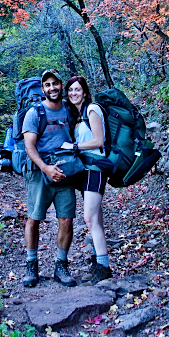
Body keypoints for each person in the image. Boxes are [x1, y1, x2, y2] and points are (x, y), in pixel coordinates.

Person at [21, 69, 77, 288]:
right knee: (34, 219)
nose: (52, 88)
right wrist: (46, 168)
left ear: (61, 85)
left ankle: (61, 266)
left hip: (65, 172)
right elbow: (29, 146)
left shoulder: (70, 110)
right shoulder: (35, 113)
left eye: (55, 83)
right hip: (39, 173)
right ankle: (31, 265)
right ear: (42, 89)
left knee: (66, 219)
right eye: (47, 84)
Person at [62, 75, 112, 284]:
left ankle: (104, 269)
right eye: (70, 90)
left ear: (85, 92)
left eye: (77, 89)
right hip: (86, 169)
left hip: (96, 169)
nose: (73, 93)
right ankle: (99, 263)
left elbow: (99, 140)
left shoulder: (92, 109)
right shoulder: (78, 114)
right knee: (96, 219)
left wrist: (74, 146)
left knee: (90, 219)